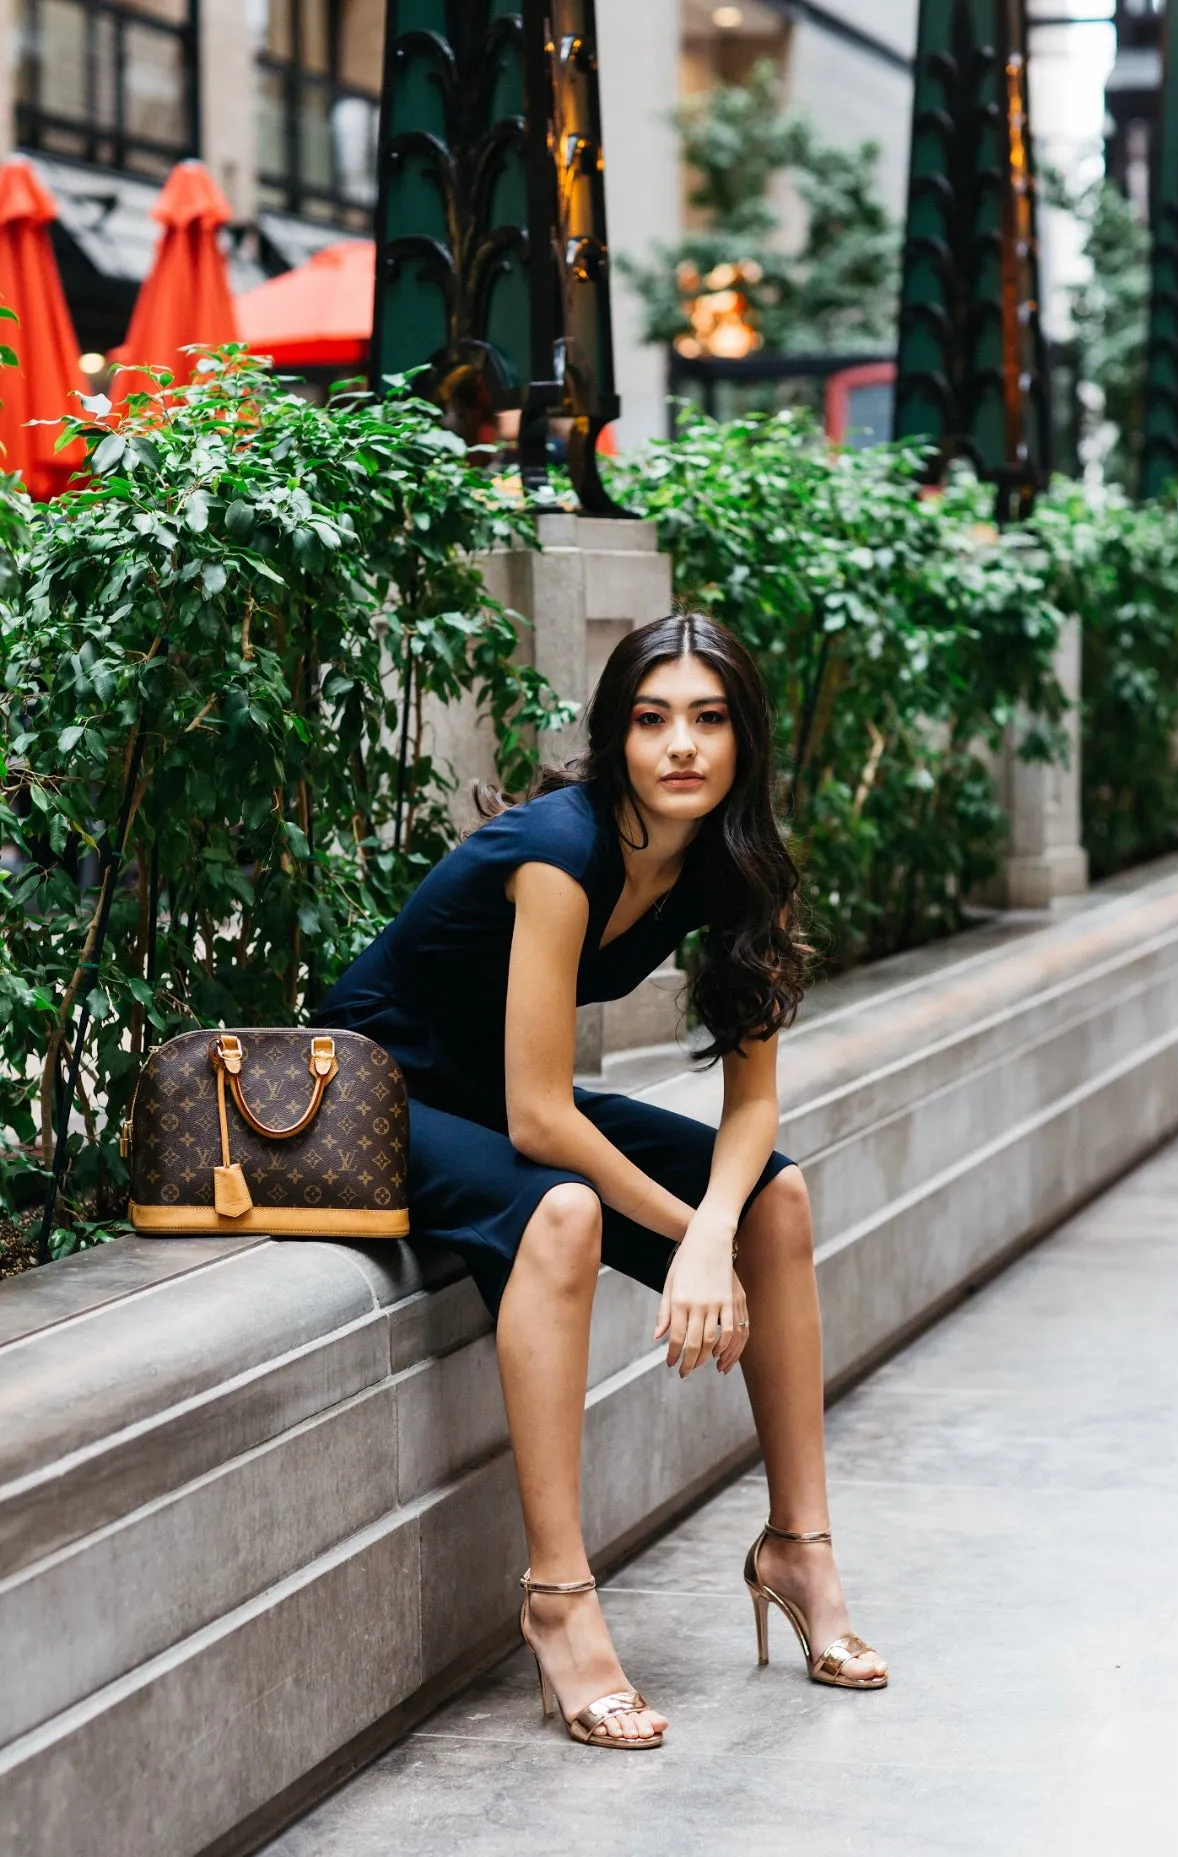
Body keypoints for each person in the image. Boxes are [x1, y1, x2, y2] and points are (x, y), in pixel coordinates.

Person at [315, 612, 887, 1751]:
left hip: (491, 1093)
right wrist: (687, 1238)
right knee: (566, 1210)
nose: (681, 745)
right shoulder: (561, 852)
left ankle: (799, 1552)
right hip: (384, 1091)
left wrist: (716, 1233)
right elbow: (539, 1115)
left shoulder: (737, 866)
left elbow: (753, 1106)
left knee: (775, 1196)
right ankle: (560, 1600)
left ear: (744, 741)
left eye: (709, 720)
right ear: (616, 738)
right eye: (652, 719)